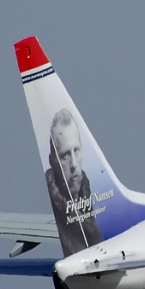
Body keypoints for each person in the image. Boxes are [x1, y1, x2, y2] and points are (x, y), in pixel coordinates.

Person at [45, 109, 103, 255]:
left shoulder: (94, 208)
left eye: (76, 150)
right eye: (65, 155)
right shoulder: (65, 222)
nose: (74, 164)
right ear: (53, 161)